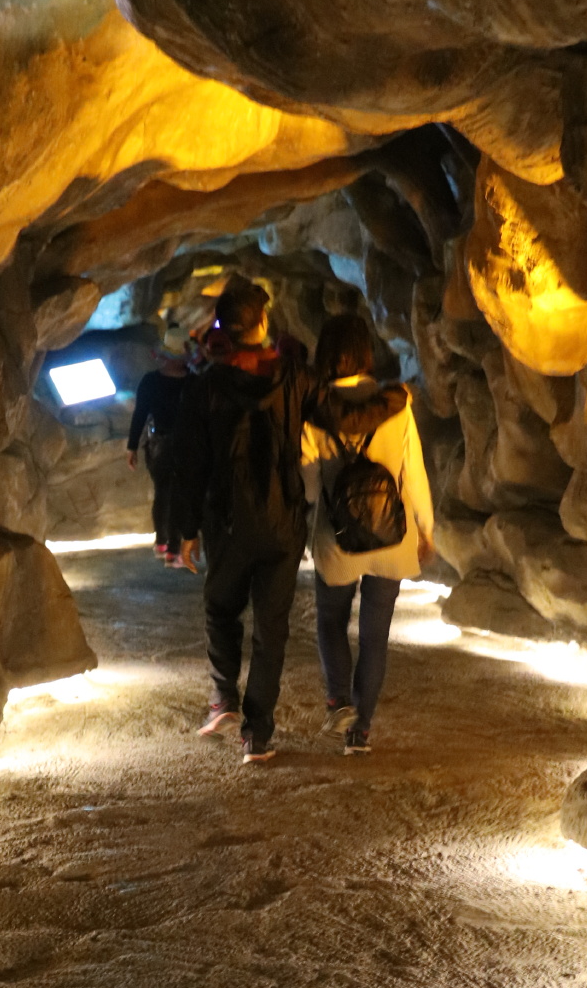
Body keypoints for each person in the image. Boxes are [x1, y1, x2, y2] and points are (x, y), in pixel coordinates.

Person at [168, 277, 308, 761]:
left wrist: (184, 531)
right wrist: (393, 400)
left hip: (227, 520)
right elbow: (337, 411)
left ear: (222, 328)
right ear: (263, 323)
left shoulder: (205, 388)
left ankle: (224, 695)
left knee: (219, 605)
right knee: (272, 628)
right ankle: (258, 735)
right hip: (283, 519)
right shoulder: (291, 378)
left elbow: (187, 465)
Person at [302, 310, 435, 753]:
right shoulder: (395, 406)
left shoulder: (316, 413)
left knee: (330, 620)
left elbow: (307, 481)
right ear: (366, 354)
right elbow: (413, 473)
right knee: (375, 636)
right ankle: (361, 733)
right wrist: (425, 530)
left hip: (338, 539)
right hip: (391, 537)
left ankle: (340, 700)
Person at [126, 343, 189, 561]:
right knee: (176, 495)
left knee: (164, 493)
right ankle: (173, 548)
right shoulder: (193, 381)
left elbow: (140, 415)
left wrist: (132, 446)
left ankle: (163, 543)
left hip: (158, 445)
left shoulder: (150, 381)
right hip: (184, 446)